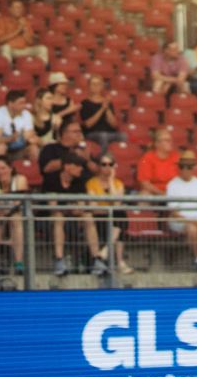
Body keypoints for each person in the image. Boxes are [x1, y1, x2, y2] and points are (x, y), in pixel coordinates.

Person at [41, 120, 107, 277]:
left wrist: (86, 159)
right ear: (64, 133)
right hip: (49, 215)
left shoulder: (79, 178)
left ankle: (97, 259)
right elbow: (46, 168)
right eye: (75, 131)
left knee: (88, 216)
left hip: (73, 213)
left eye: (80, 131)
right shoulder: (51, 150)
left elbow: (97, 173)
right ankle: (59, 260)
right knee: (58, 217)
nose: (80, 135)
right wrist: (69, 156)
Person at [85, 155, 133, 276]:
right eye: (104, 164)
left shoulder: (118, 183)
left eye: (110, 164)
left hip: (114, 219)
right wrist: (109, 209)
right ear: (99, 167)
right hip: (100, 219)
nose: (107, 167)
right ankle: (120, 262)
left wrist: (111, 180)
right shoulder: (92, 183)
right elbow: (93, 206)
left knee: (120, 218)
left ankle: (105, 252)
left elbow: (117, 203)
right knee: (120, 220)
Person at [164, 152, 197, 268]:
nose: (185, 169)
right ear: (179, 168)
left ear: (193, 168)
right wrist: (191, 221)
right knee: (192, 229)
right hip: (179, 221)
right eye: (182, 166)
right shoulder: (172, 185)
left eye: (189, 167)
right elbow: (174, 212)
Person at [0, 0, 47, 64]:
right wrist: (18, 30)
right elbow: (0, 40)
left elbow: (30, 42)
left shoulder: (26, 22)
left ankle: (41, 69)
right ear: (10, 9)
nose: (19, 9)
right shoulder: (2, 21)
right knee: (5, 48)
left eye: (20, 7)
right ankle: (7, 70)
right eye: (16, 7)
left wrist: (24, 29)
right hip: (11, 49)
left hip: (24, 49)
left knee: (42, 49)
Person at [0, 89, 34, 157]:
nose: (24, 106)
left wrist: (32, 138)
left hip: (18, 147)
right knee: (1, 147)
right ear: (10, 104)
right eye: (21, 103)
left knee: (33, 148)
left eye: (24, 103)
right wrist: (11, 138)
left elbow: (28, 137)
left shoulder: (27, 114)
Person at [77, 75, 123, 147]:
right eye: (93, 84)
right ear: (89, 86)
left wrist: (107, 108)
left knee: (123, 136)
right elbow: (88, 125)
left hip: (109, 132)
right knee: (103, 136)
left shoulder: (107, 103)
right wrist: (102, 109)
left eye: (98, 84)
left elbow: (114, 124)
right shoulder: (85, 103)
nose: (96, 86)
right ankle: (103, 157)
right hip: (92, 133)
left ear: (102, 86)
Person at [135, 125, 181, 195]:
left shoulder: (176, 157)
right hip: (155, 193)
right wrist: (162, 194)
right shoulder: (147, 158)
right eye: (166, 140)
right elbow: (145, 183)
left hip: (174, 192)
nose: (170, 142)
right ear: (157, 144)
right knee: (144, 195)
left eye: (170, 140)